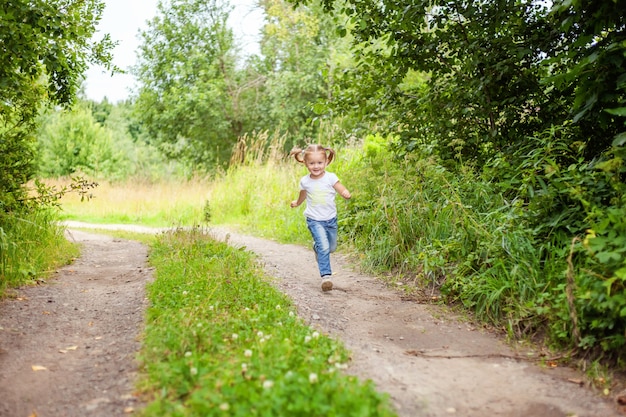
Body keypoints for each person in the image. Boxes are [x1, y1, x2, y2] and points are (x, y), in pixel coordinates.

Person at [290, 144, 351, 292]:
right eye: (312, 163)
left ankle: (317, 248)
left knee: (331, 247)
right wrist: (297, 203)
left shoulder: (330, 177)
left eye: (319, 163)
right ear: (305, 163)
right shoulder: (305, 181)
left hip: (331, 219)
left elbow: (339, 187)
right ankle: (326, 277)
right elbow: (303, 195)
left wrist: (345, 193)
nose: (316, 166)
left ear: (326, 162)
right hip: (314, 219)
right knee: (324, 247)